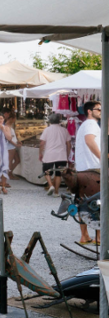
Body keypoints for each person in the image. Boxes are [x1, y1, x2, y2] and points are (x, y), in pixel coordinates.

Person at [75, 101, 102, 245]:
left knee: (83, 203)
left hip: (83, 168)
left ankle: (84, 235)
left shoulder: (86, 125)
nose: (101, 111)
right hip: (92, 168)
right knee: (98, 203)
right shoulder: (91, 124)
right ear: (90, 111)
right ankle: (99, 237)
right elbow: (90, 141)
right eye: (98, 109)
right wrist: (102, 158)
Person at [39, 113, 71, 197]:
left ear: (50, 120)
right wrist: (67, 155)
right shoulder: (64, 130)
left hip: (49, 154)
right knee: (58, 174)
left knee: (46, 172)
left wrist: (40, 153)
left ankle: (51, 185)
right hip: (61, 155)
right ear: (59, 121)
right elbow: (68, 144)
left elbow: (42, 143)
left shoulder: (47, 130)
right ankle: (56, 192)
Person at [6, 113, 21, 179]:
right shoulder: (7, 126)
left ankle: (10, 172)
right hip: (10, 146)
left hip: (13, 145)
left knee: (17, 160)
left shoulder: (10, 125)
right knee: (10, 160)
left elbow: (12, 137)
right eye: (14, 119)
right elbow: (9, 138)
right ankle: (9, 174)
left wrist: (17, 142)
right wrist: (16, 144)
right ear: (12, 119)